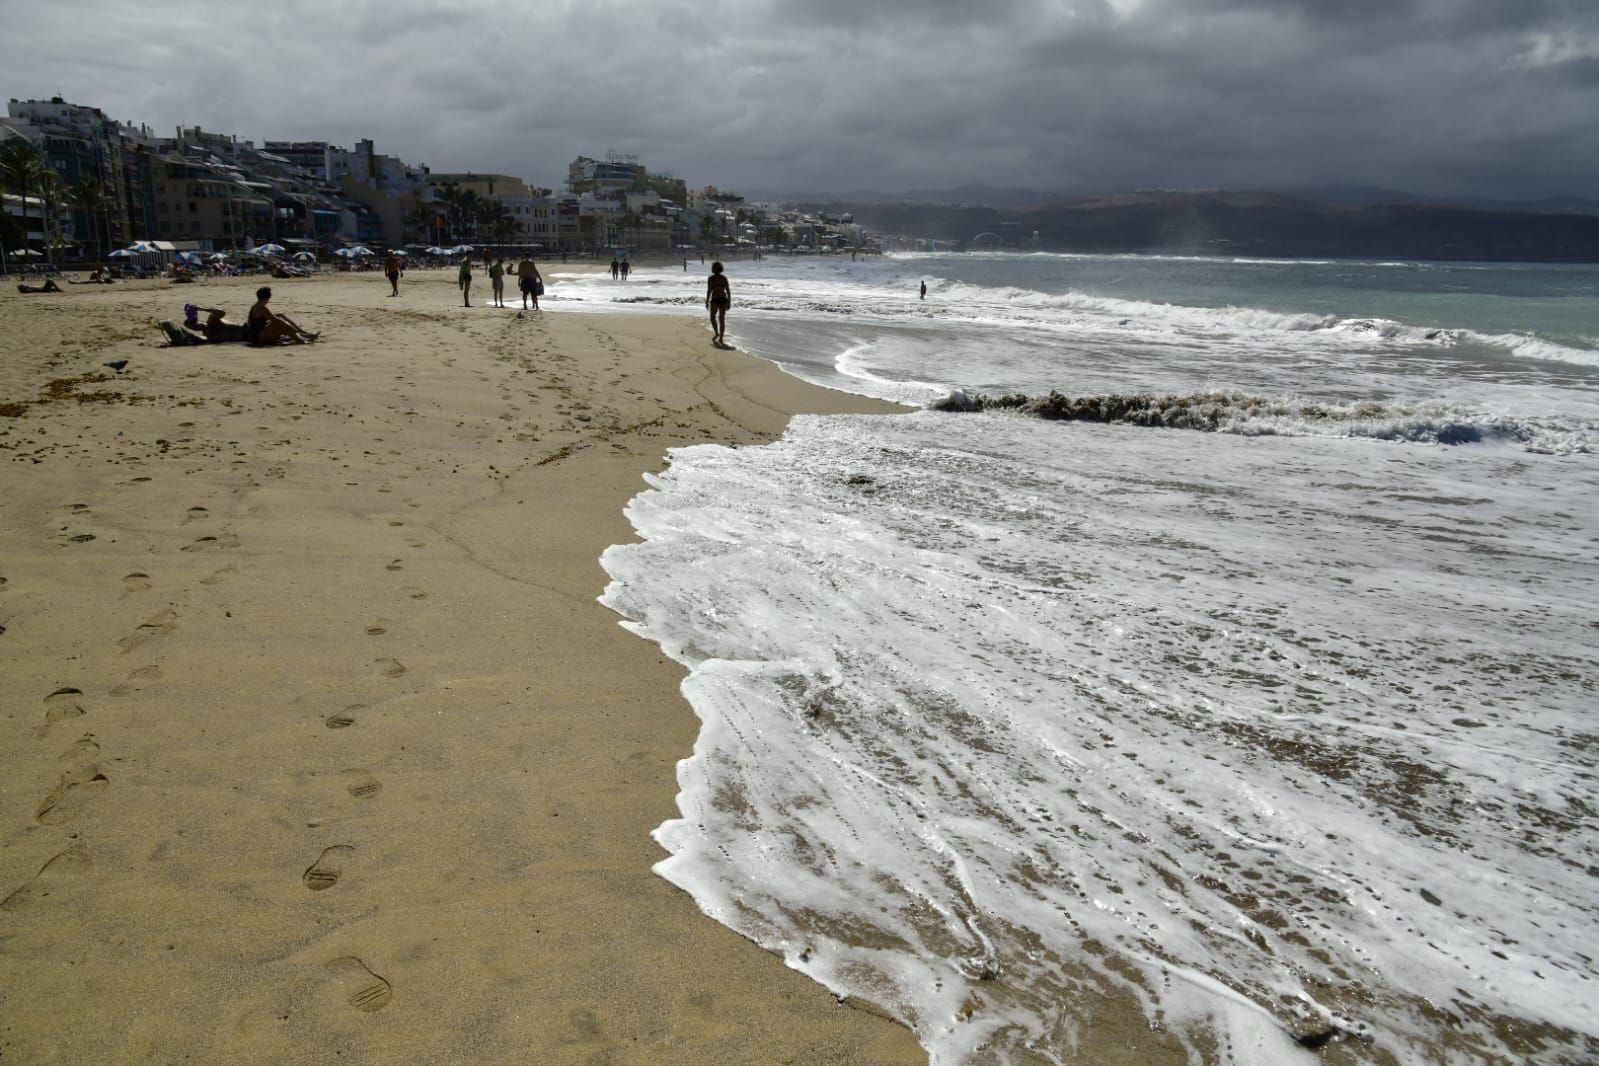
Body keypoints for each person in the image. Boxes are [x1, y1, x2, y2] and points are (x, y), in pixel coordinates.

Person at [244, 286, 318, 345]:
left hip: (258, 334)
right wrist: (291, 329)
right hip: (257, 338)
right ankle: (299, 338)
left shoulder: (257, 305)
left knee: (280, 316)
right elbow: (274, 320)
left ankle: (302, 333)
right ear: (267, 297)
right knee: (278, 323)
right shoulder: (261, 307)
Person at [183, 306, 247, 342]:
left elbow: (221, 312)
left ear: (199, 321)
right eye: (192, 328)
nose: (194, 327)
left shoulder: (212, 321)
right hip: (245, 339)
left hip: (247, 329)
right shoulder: (207, 335)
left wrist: (201, 309)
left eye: (193, 323)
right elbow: (202, 340)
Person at [705, 260, 730, 345]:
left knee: (712, 318)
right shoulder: (724, 278)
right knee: (722, 320)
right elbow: (728, 291)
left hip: (715, 299)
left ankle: (716, 333)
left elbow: (709, 291)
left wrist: (707, 301)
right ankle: (721, 339)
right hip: (723, 299)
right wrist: (729, 302)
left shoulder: (711, 278)